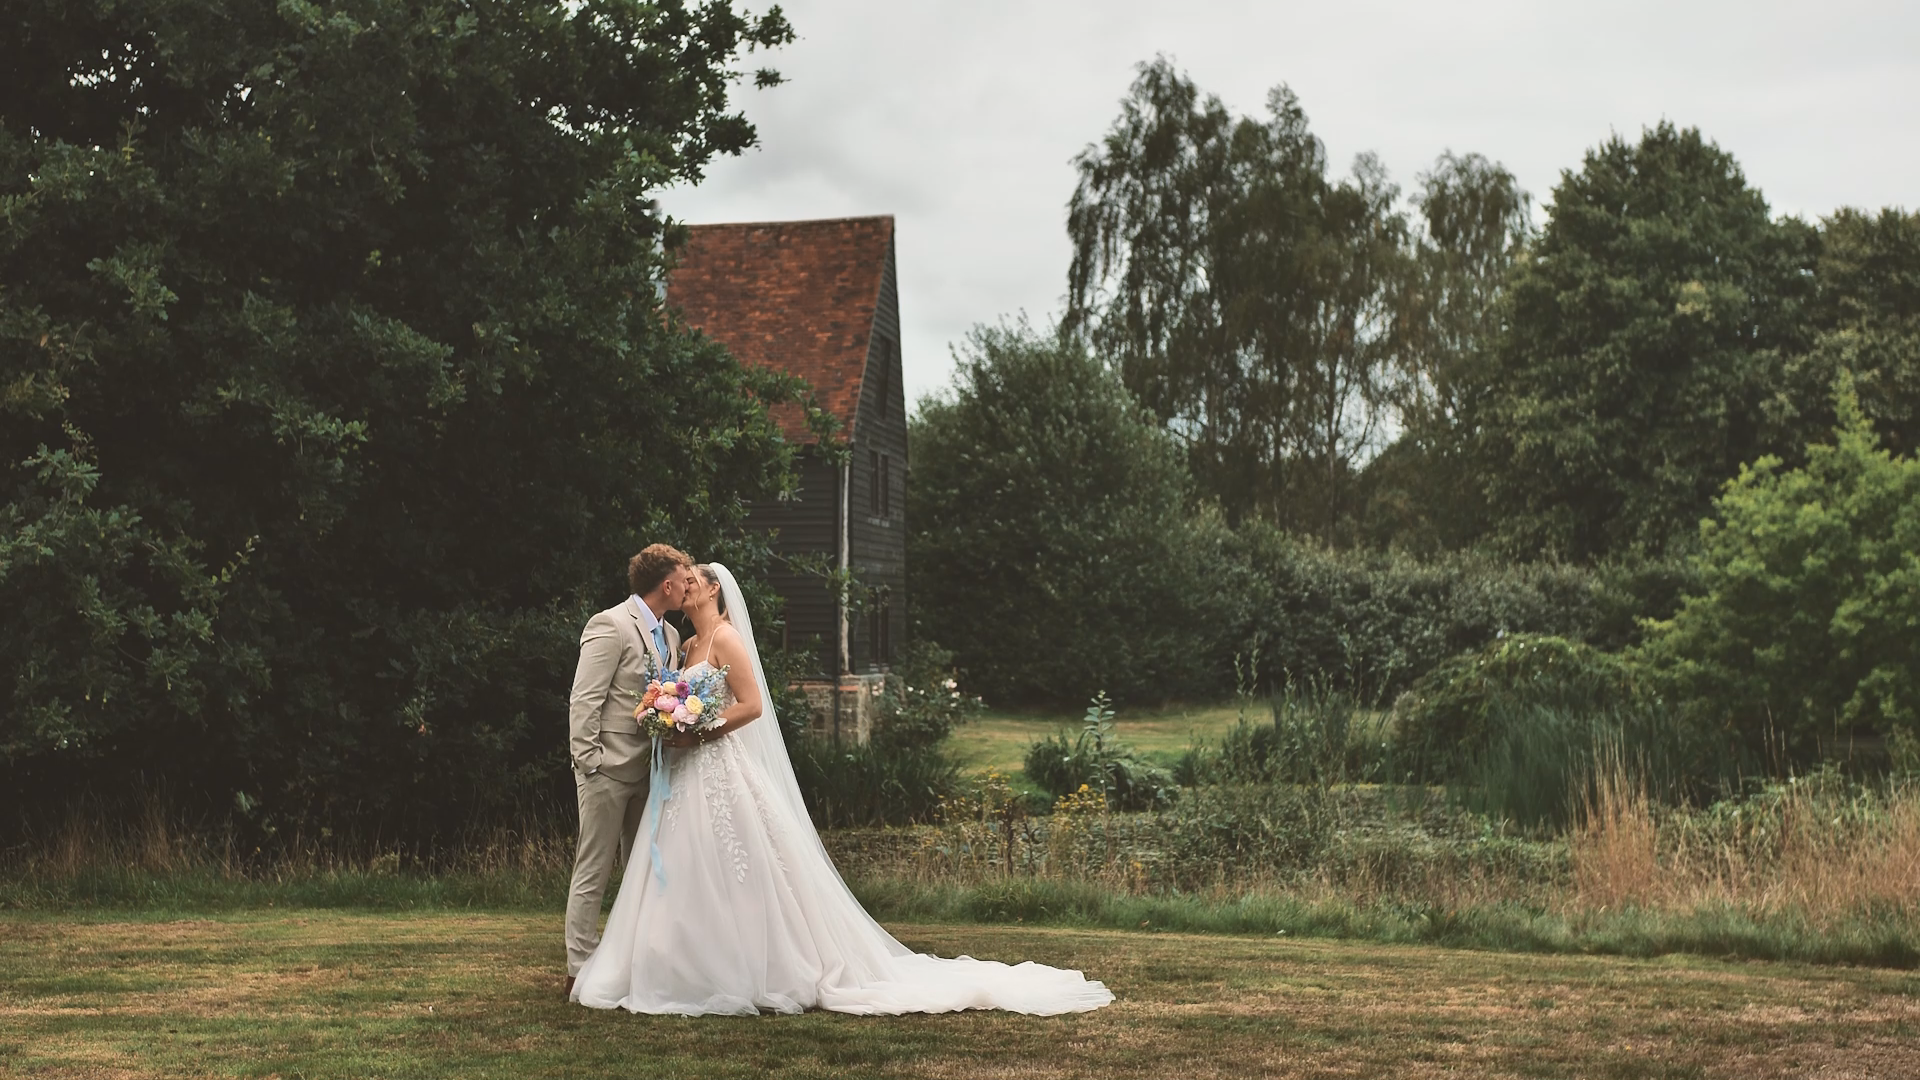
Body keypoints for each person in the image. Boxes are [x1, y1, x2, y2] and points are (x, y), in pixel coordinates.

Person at [570, 563, 1113, 1016]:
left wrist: (701, 729)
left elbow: (752, 705)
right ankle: (675, 963)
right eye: (683, 578)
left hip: (720, 766)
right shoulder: (682, 641)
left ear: (714, 589)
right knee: (688, 871)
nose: (686, 583)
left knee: (737, 866)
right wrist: (672, 722)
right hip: (686, 774)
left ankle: (755, 964)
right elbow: (667, 697)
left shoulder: (728, 637)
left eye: (696, 578)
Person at [563, 543, 693, 997]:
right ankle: (578, 969)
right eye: (684, 577)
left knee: (644, 874)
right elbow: (585, 699)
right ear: (667, 584)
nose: (688, 584)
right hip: (607, 771)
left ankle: (632, 964)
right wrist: (590, 763)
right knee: (594, 870)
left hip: (651, 774)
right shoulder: (611, 624)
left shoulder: (673, 638)